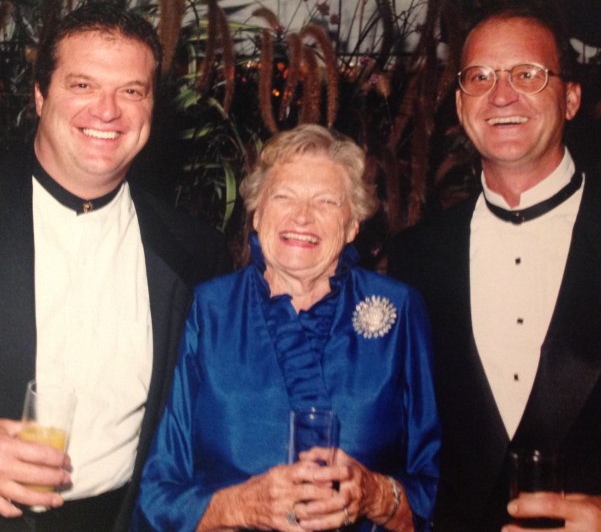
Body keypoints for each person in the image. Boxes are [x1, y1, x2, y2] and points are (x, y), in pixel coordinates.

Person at [0, 2, 230, 532]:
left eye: (131, 91)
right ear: (40, 96)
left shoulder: (195, 253)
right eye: (82, 85)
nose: (107, 111)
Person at [388, 1, 601, 531]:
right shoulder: (413, 258)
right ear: (461, 101)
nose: (501, 94)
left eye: (527, 74)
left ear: (571, 99)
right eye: (480, 76)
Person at [130, 124, 441, 532]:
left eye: (326, 201)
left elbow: (436, 489)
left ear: (352, 225)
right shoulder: (209, 311)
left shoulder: (400, 309)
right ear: (257, 214)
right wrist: (239, 508)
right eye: (284, 196)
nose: (302, 217)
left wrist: (375, 495)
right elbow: (156, 494)